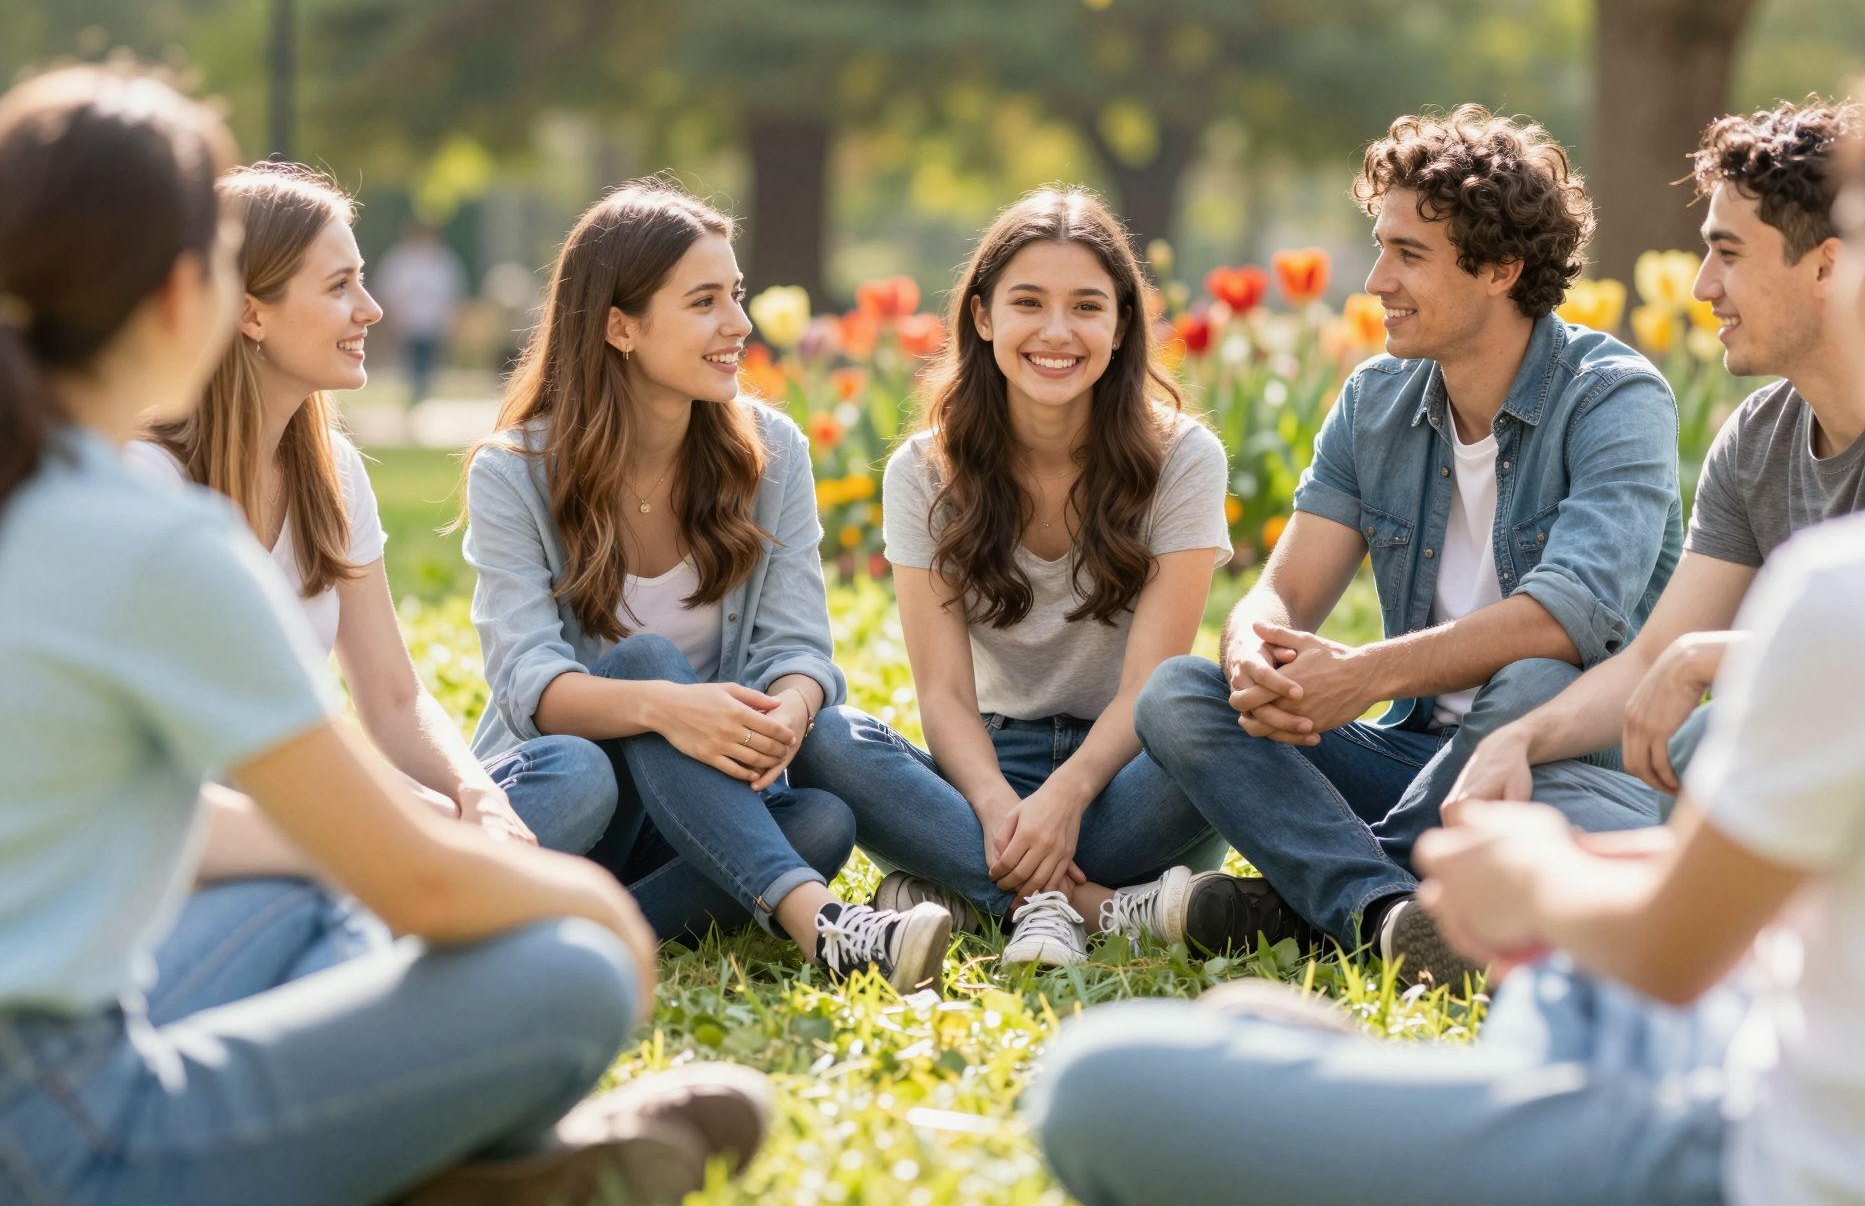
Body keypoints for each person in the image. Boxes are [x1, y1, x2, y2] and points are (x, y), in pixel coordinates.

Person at [1031, 44, 1865, 1206]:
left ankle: (1379, 1033)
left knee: (1096, 1087)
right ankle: (1397, 965)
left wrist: (1535, 879)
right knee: (1567, 988)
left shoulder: (1860, 590)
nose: (1704, 286)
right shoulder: (1853, 543)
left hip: (1769, 1159)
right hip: (1800, 1048)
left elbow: (1668, 946)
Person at [0, 65, 769, 1206]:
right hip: (61, 1130)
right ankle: (442, 1169)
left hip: (75, 1009)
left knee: (319, 894)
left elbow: (202, 806)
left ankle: (433, 1167)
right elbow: (419, 886)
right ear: (188, 296)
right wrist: (603, 913)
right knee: (572, 973)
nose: (368, 308)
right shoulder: (150, 531)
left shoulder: (54, 492)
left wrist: (441, 814)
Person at [1135, 104, 1675, 988]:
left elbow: (1567, 618)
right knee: (1179, 695)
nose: (1375, 280)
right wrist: (1253, 656)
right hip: (1417, 761)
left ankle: (1325, 903)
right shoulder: (1376, 400)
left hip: (1556, 769)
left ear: (1501, 268)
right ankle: (1391, 916)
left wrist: (1365, 675)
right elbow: (1284, 589)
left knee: (1537, 675)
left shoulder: (1614, 398)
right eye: (1380, 247)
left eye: (1409, 255)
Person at [462, 180, 951, 992]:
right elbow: (529, 685)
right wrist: (667, 706)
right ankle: (823, 924)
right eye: (703, 302)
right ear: (619, 326)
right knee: (643, 664)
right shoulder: (515, 473)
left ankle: (593, 936)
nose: (739, 324)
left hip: (693, 811)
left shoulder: (774, 453)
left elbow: (800, 649)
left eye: (736, 294)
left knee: (821, 820)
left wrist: (788, 712)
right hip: (574, 803)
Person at [1452, 100, 1865, 816]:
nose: (1704, 285)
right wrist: (1518, 740)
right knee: (1535, 781)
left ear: (1827, 267)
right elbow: (1652, 657)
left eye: (1728, 254)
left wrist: (1708, 658)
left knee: (1713, 741)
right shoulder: (1756, 439)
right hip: (1779, 794)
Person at [792, 190, 1232, 967]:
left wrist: (1066, 798)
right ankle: (1100, 909)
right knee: (826, 738)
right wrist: (1000, 807)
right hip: (991, 770)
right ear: (983, 316)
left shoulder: (1184, 459)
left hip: (1132, 778)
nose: (1056, 332)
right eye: (1028, 302)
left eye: (1086, 306)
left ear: (1121, 325)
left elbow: (1150, 688)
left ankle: (970, 891)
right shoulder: (923, 471)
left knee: (1222, 717)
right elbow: (944, 697)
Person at [133, 162, 611, 859]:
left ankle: (460, 883)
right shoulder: (148, 483)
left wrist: (473, 794)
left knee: (575, 773)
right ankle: (466, 888)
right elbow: (210, 745)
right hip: (211, 835)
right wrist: (412, 818)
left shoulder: (332, 471)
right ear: (250, 312)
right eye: (338, 286)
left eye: (361, 279)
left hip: (335, 808)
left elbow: (393, 697)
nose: (372, 308)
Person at [373, 217, 467, 407]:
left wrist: (451, 317)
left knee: (427, 361)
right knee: (410, 361)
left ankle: (423, 393)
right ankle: (415, 393)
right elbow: (388, 289)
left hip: (432, 322)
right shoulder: (400, 260)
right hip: (408, 322)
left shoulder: (443, 260)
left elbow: (453, 291)